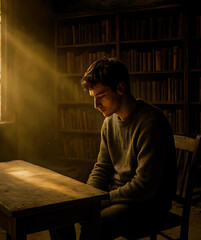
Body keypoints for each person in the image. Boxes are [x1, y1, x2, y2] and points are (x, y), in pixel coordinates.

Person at [50, 57, 177, 240]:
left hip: (149, 203)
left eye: (100, 96)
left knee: (98, 223)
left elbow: (144, 187)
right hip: (118, 195)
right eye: (93, 98)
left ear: (120, 88)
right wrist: (88, 197)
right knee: (59, 215)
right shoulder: (109, 123)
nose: (96, 105)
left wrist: (104, 200)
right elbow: (102, 167)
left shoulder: (151, 123)